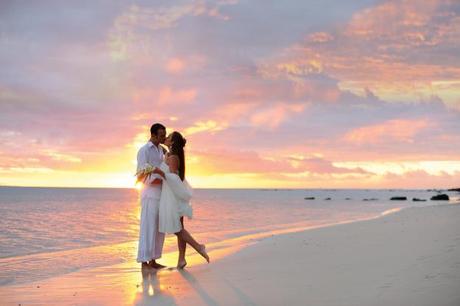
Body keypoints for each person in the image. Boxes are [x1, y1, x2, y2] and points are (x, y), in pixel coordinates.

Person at [159, 131, 210, 269]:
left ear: (173, 142)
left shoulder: (174, 157)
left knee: (176, 228)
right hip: (172, 194)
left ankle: (199, 247)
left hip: (173, 196)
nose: (166, 138)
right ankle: (181, 259)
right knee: (179, 228)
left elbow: (175, 178)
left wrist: (159, 173)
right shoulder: (169, 154)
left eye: (168, 137)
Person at [136, 123, 167, 269]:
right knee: (148, 226)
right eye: (161, 135)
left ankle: (153, 259)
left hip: (161, 192)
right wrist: (157, 179)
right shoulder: (144, 150)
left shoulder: (162, 150)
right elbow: (141, 172)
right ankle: (144, 260)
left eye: (164, 134)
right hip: (149, 193)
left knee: (158, 227)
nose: (164, 137)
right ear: (153, 135)